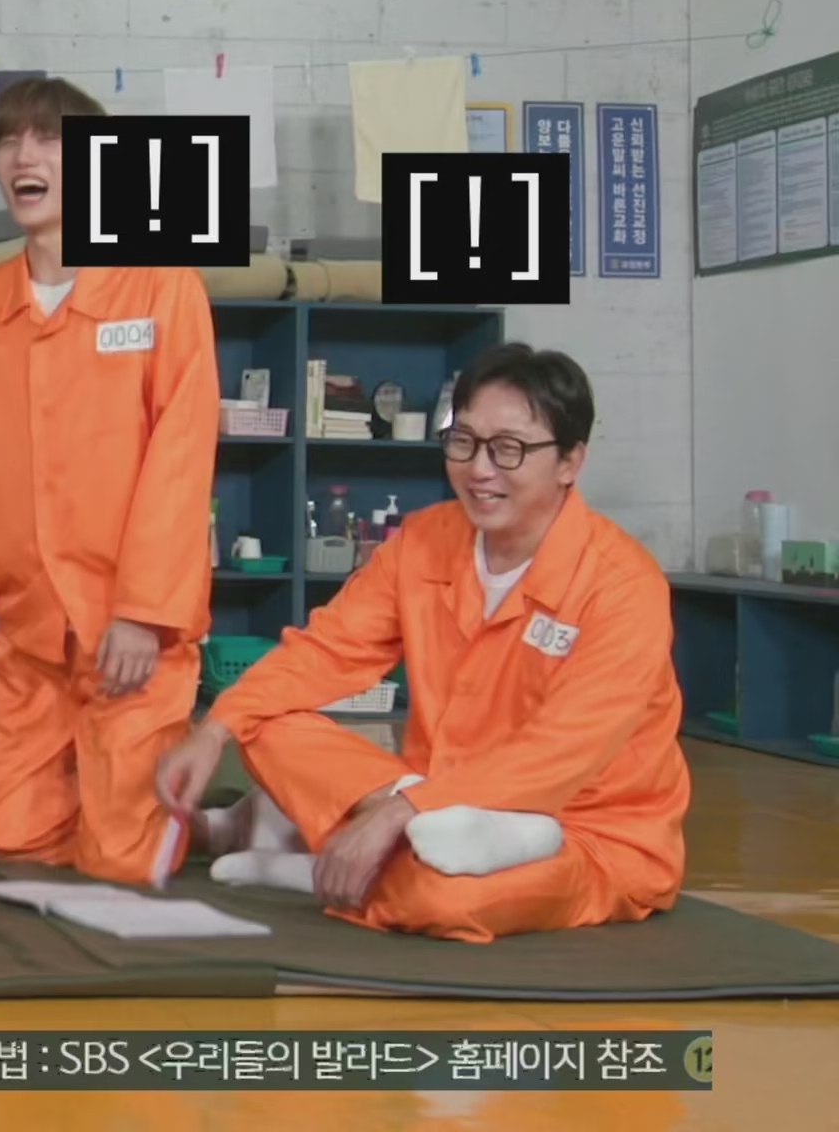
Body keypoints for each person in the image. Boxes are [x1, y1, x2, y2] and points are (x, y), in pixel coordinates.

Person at [155, 345, 688, 943]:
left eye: (508, 448)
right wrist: (214, 730)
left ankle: (314, 864)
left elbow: (564, 750)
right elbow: (326, 651)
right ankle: (410, 836)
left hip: (583, 828)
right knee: (261, 717)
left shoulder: (622, 586)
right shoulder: (426, 540)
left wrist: (400, 811)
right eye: (464, 442)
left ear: (570, 461)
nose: (480, 469)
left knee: (444, 895)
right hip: (433, 799)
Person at [0, 75, 220, 888]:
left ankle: (188, 814)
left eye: (49, 140)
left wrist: (144, 613)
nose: (23, 157)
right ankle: (128, 797)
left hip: (129, 636)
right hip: (30, 634)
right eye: (9, 142)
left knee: (121, 864)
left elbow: (181, 459)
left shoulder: (162, 284)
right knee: (10, 843)